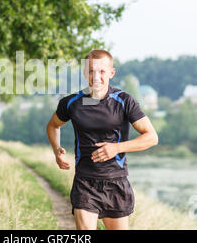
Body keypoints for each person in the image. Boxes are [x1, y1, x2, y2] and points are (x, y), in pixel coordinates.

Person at [46, 49, 158, 230]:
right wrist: (57, 150)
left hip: (116, 182)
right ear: (84, 73)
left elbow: (152, 137)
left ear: (111, 73)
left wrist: (117, 148)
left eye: (102, 71)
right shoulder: (71, 102)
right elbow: (53, 125)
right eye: (91, 71)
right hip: (85, 182)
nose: (95, 76)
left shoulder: (124, 101)